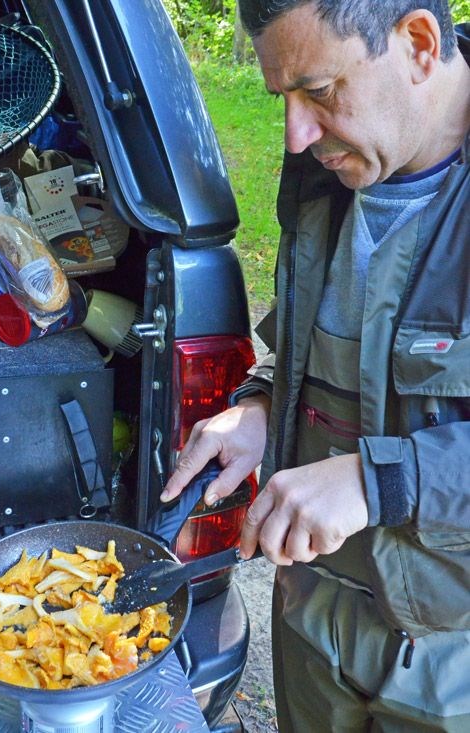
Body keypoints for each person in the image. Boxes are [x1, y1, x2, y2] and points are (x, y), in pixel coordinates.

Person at [161, 1, 470, 730]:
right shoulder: (329, 168)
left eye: (320, 90)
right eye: (283, 100)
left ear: (419, 42)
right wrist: (262, 407)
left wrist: (378, 478)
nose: (296, 135)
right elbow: (309, 338)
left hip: (449, 658)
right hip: (312, 623)